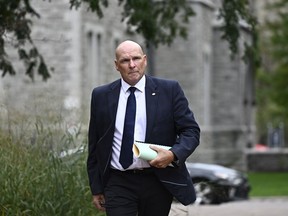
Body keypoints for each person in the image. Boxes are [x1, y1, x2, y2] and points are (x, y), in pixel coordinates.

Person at [87, 40, 200, 216]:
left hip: (157, 180)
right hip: (118, 181)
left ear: (145, 60)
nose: (132, 65)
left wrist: (173, 154)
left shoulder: (169, 91)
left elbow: (191, 131)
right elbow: (95, 145)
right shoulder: (101, 96)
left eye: (136, 58)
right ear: (116, 66)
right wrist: (96, 187)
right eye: (125, 61)